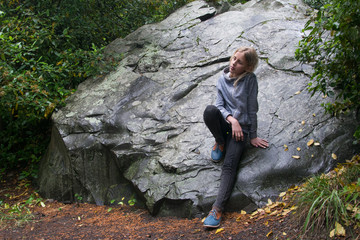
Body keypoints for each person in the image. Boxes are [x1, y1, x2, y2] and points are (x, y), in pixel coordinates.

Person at [202, 47, 269, 228]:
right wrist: (232, 120)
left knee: (230, 166)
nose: (233, 63)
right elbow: (219, 105)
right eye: (233, 58)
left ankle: (217, 209)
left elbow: (252, 109)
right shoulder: (222, 79)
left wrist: (252, 136)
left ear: (247, 67)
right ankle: (220, 142)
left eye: (239, 62)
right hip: (228, 125)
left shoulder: (250, 80)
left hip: (242, 131)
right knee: (209, 111)